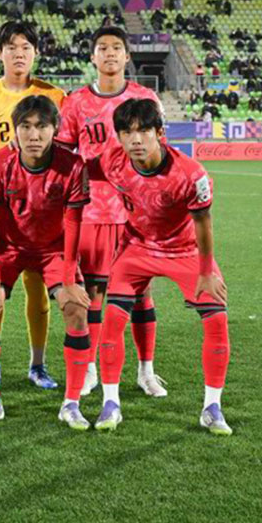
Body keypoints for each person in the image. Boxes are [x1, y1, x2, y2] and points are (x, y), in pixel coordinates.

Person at [87, 99, 232, 435]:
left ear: (160, 133)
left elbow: (203, 221)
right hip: (136, 248)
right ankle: (111, 403)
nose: (135, 139)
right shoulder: (113, 161)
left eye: (143, 131)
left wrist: (207, 270)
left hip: (184, 251)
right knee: (113, 319)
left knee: (217, 317)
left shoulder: (190, 173)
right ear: (119, 137)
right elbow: (79, 167)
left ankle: (212, 407)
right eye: (126, 132)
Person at [55, 26, 168, 398]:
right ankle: (90, 369)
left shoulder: (144, 97)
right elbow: (64, 158)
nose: (109, 54)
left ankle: (146, 371)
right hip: (92, 212)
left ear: (127, 55)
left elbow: (159, 154)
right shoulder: (75, 103)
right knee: (94, 293)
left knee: (141, 293)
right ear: (92, 57)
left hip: (137, 212)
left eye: (116, 48)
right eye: (102, 48)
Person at [0, 95, 92, 428]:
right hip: (10, 248)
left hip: (54, 250)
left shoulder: (73, 166)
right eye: (25, 126)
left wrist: (69, 277)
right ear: (15, 130)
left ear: (55, 129)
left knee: (77, 309)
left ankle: (72, 403)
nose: (33, 135)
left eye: (41, 127)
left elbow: (73, 223)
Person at [0, 19, 67, 390]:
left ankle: (37, 364)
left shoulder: (55, 97)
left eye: (26, 47)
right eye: (11, 47)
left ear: (36, 53)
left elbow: (63, 151)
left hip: (42, 216)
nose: (19, 54)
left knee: (38, 289)